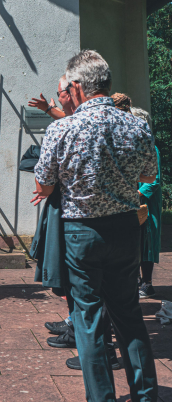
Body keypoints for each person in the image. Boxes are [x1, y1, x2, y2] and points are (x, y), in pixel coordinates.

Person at [33, 50, 158, 401]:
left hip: (82, 231)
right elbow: (148, 174)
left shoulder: (63, 127)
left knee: (88, 320)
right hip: (126, 227)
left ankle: (101, 397)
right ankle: (146, 395)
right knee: (129, 314)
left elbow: (44, 185)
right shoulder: (136, 124)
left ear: (77, 87)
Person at [131, 107, 162, 299]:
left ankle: (147, 283)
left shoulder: (151, 148)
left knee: (146, 242)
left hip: (146, 203)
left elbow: (154, 180)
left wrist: (137, 193)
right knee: (134, 242)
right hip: (132, 202)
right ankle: (135, 280)